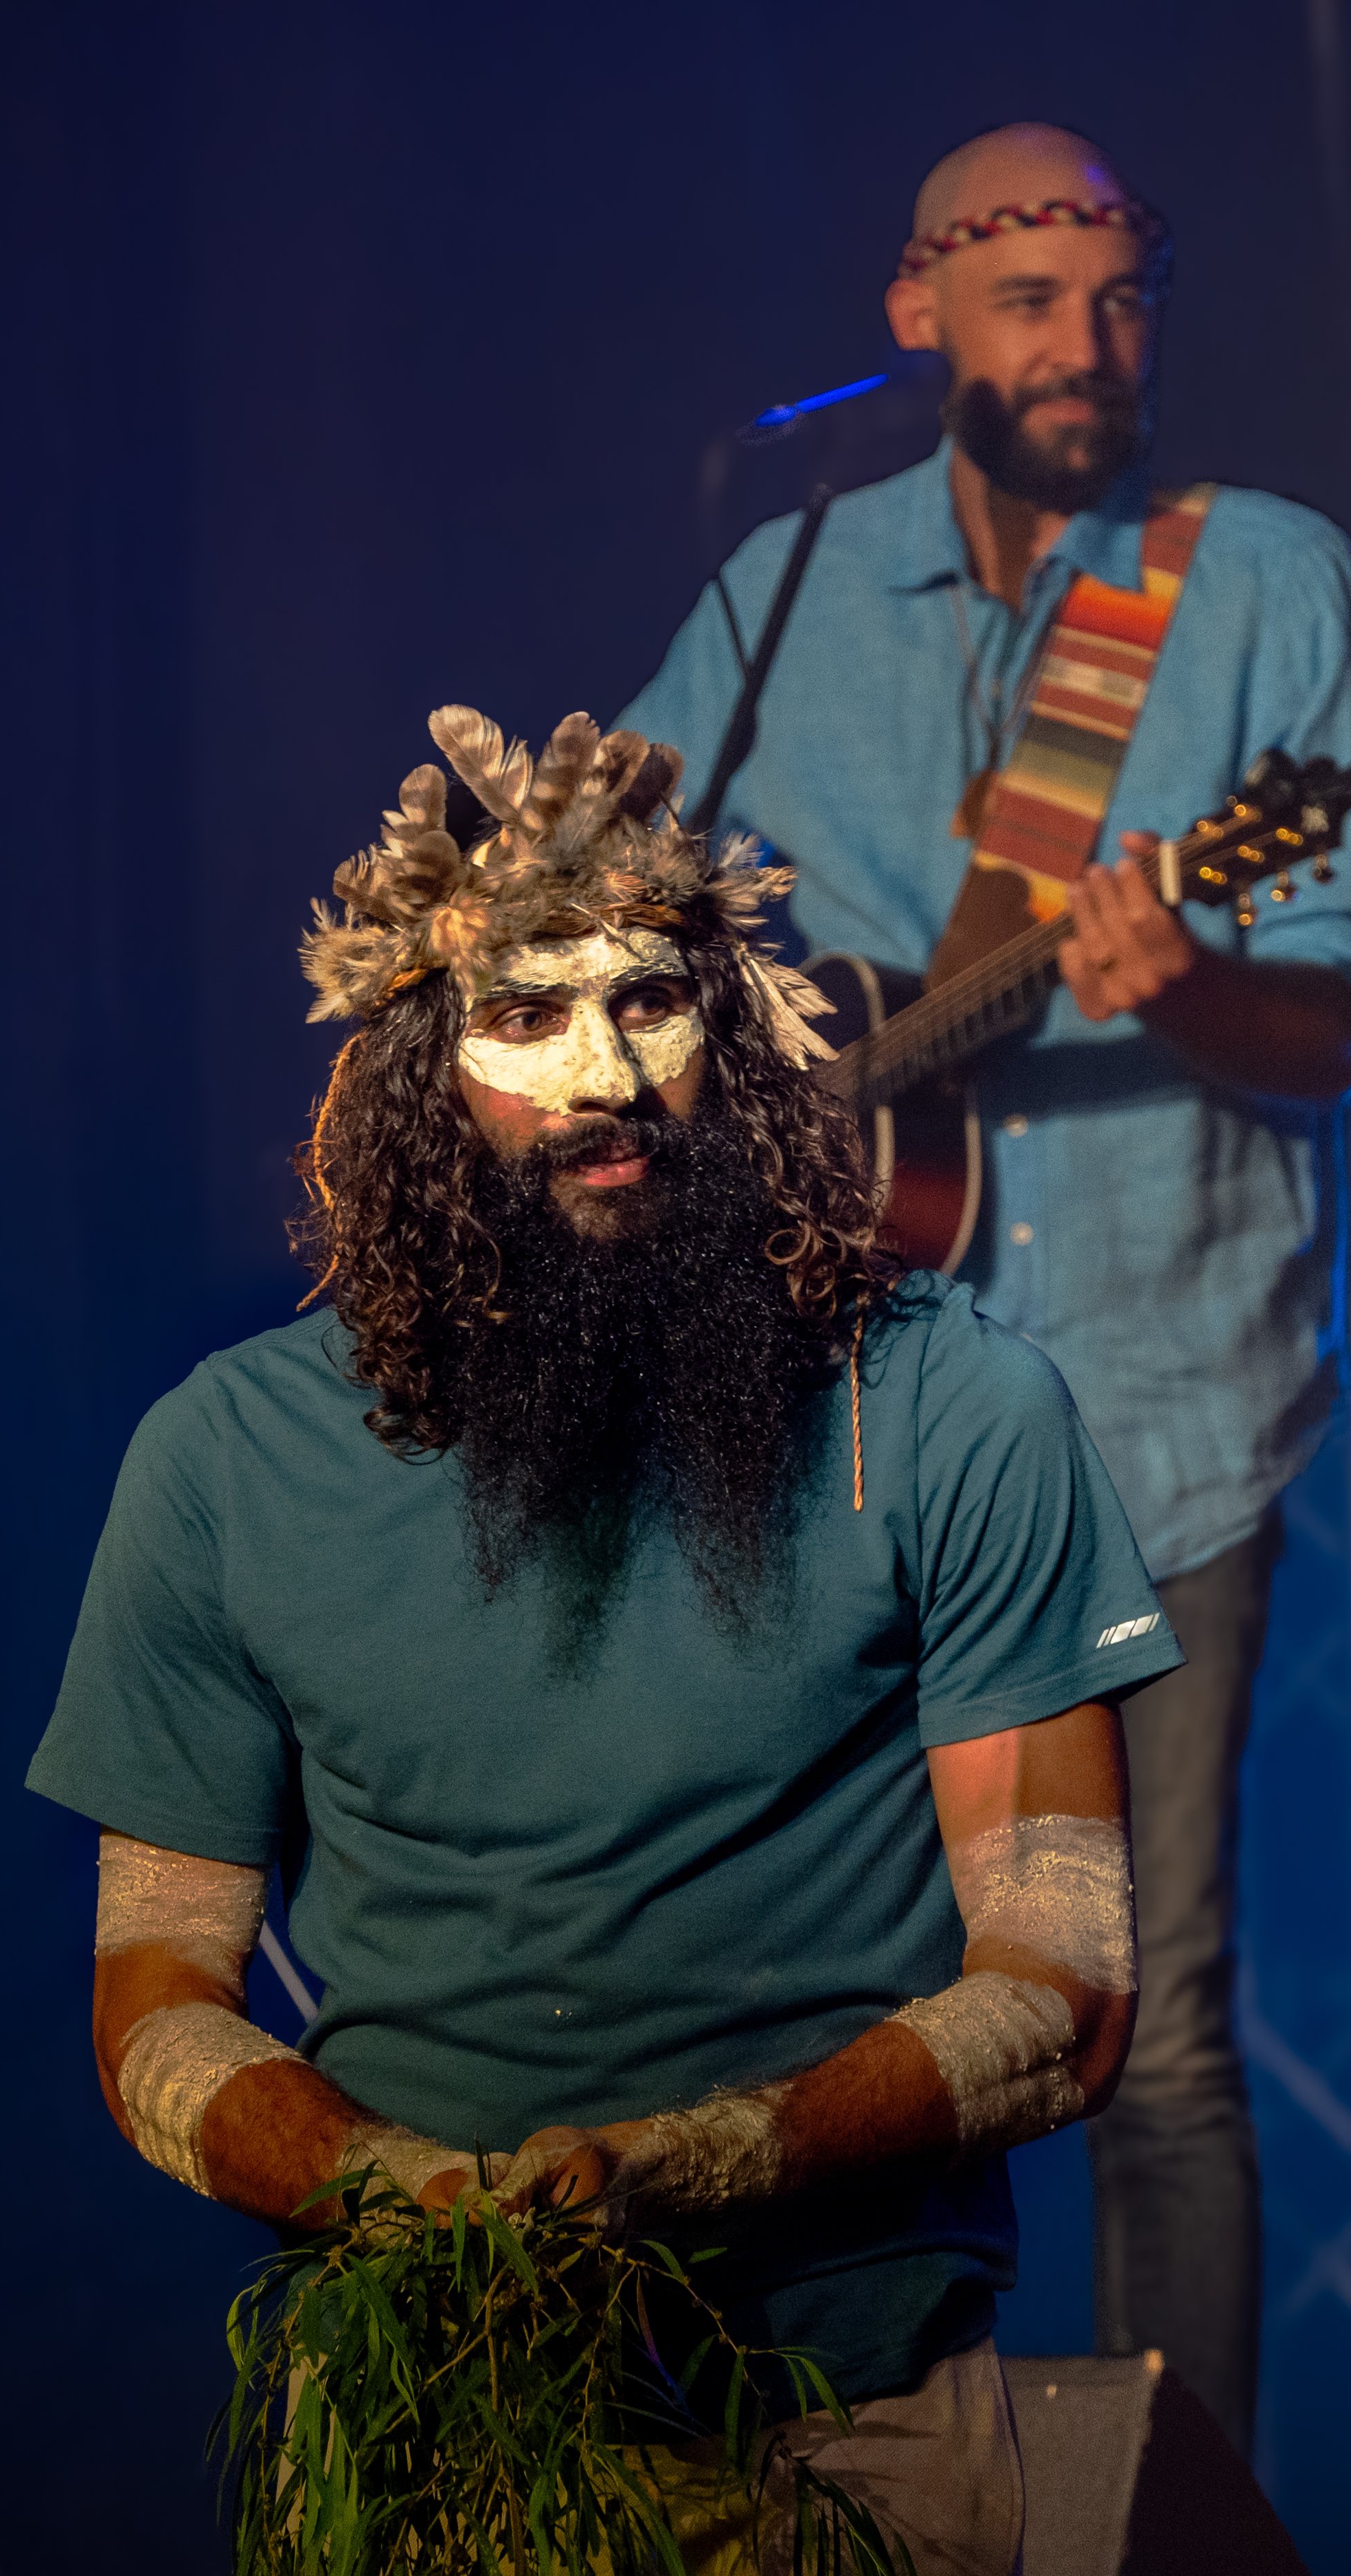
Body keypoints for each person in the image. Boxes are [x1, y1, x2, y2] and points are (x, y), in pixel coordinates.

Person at [27, 703, 1181, 2573]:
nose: (602, 1078)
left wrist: (692, 2161)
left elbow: (1067, 1991)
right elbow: (153, 1997)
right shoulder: (223, 1459)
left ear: (728, 1038)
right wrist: (401, 2201)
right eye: (522, 1014)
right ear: (416, 1063)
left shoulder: (955, 1408)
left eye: (649, 1003)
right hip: (419, 2413)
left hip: (851, 2425)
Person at [619, 122, 1351, 2457]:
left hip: (1159, 1413)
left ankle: (1191, 2524)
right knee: (845, 2023)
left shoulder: (1254, 587)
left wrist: (1181, 983)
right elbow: (610, 913)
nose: (1084, 343)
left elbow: (1334, 1029)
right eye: (1026, 296)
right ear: (912, 310)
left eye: (1122, 295)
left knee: (1149, 2033)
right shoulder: (774, 588)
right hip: (850, 1419)